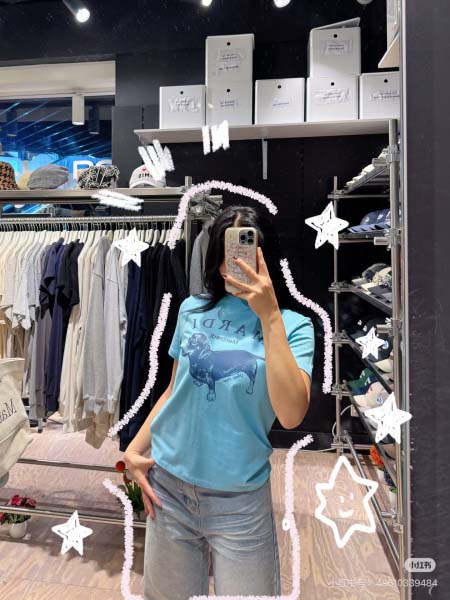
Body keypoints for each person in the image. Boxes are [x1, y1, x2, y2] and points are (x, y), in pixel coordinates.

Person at [124, 205, 315, 599]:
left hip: (239, 501)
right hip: (169, 489)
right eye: (229, 250)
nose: (236, 262)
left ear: (265, 255)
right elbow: (173, 391)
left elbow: (291, 414)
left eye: (246, 249)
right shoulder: (191, 309)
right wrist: (133, 451)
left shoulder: (295, 326)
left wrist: (270, 316)